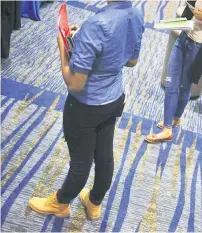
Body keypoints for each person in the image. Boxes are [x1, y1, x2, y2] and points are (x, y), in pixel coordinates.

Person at [28, 1, 144, 219]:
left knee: (80, 163)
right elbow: (131, 60)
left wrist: (63, 47)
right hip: (114, 99)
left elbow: (75, 83)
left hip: (86, 106)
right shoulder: (136, 14)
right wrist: (81, 39)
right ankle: (94, 202)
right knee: (104, 156)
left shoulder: (97, 24)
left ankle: (61, 204)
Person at [145, 0, 202, 143]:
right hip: (183, 39)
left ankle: (175, 118)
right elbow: (186, 12)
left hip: (198, 48)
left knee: (184, 86)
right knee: (171, 84)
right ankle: (167, 128)